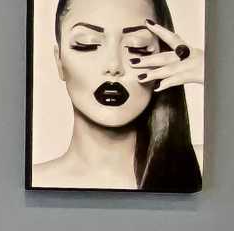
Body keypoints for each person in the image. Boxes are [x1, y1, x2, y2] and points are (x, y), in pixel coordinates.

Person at [32, 0, 204, 192]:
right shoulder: (31, 182)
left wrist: (215, 75)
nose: (113, 66)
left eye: (137, 46)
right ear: (59, 62)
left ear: (164, 58)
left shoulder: (209, 170)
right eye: (87, 44)